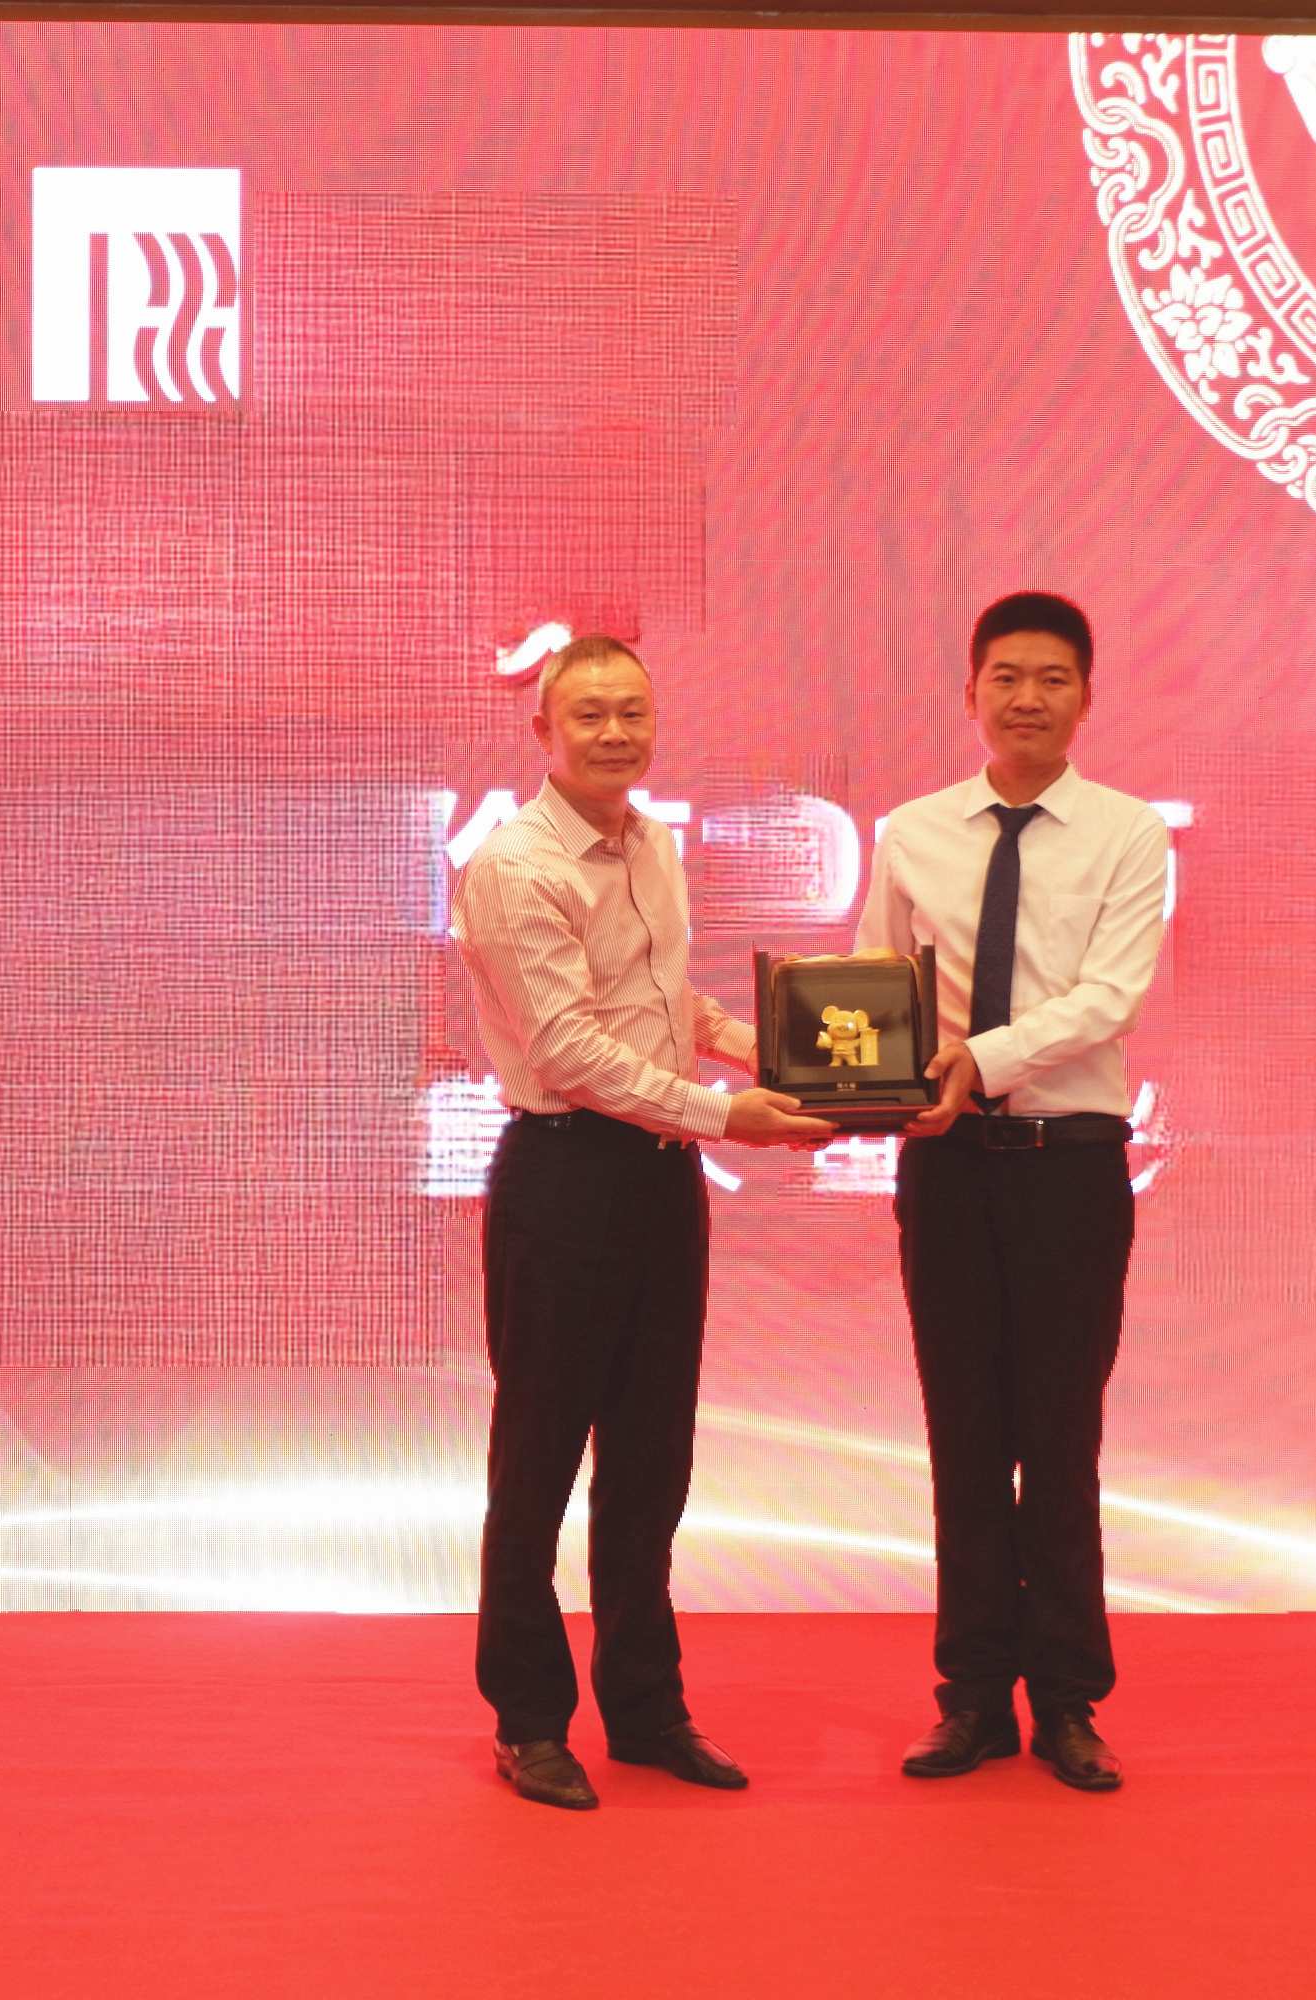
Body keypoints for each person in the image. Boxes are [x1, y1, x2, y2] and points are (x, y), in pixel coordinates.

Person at [453, 633, 833, 1811]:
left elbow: (662, 1006)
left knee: (652, 1461)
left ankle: (647, 1706)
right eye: (590, 714)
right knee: (539, 1463)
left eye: (633, 711)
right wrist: (725, 1113)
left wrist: (773, 1047)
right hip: (565, 1177)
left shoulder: (651, 841)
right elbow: (568, 1050)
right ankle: (529, 1719)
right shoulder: (516, 865)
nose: (615, 733)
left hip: (662, 1180)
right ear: (544, 731)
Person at [853, 590, 1169, 1793]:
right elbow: (873, 983)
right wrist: (855, 1080)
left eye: (1052, 678)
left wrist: (979, 1058)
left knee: (1061, 1436)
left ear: (1087, 696)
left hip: (1068, 1164)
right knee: (965, 1437)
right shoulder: (913, 831)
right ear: (971, 692)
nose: (1027, 698)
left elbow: (1110, 997)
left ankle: (1070, 1700)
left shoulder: (1128, 834)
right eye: (1006, 677)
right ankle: (974, 1696)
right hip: (946, 1168)